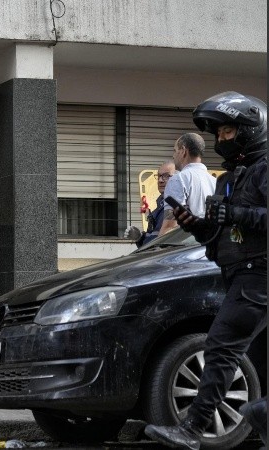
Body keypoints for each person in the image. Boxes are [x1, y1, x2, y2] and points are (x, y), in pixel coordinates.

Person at [144, 91, 267, 450]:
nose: (222, 140)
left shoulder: (263, 170)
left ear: (251, 130)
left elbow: (248, 219)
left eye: (228, 132)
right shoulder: (227, 179)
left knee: (220, 347)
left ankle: (192, 428)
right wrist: (196, 226)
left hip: (258, 275)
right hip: (236, 274)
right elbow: (219, 236)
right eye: (218, 134)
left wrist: (238, 214)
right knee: (259, 363)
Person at [158, 133, 216, 236]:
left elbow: (169, 227)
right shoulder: (214, 181)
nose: (173, 155)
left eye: (175, 151)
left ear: (183, 151)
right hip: (208, 242)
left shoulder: (178, 179)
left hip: (185, 244)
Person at [124, 161, 176, 247]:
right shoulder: (159, 206)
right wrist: (140, 238)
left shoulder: (176, 205)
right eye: (159, 176)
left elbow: (164, 242)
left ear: (178, 178)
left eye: (166, 176)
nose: (160, 180)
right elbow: (152, 240)